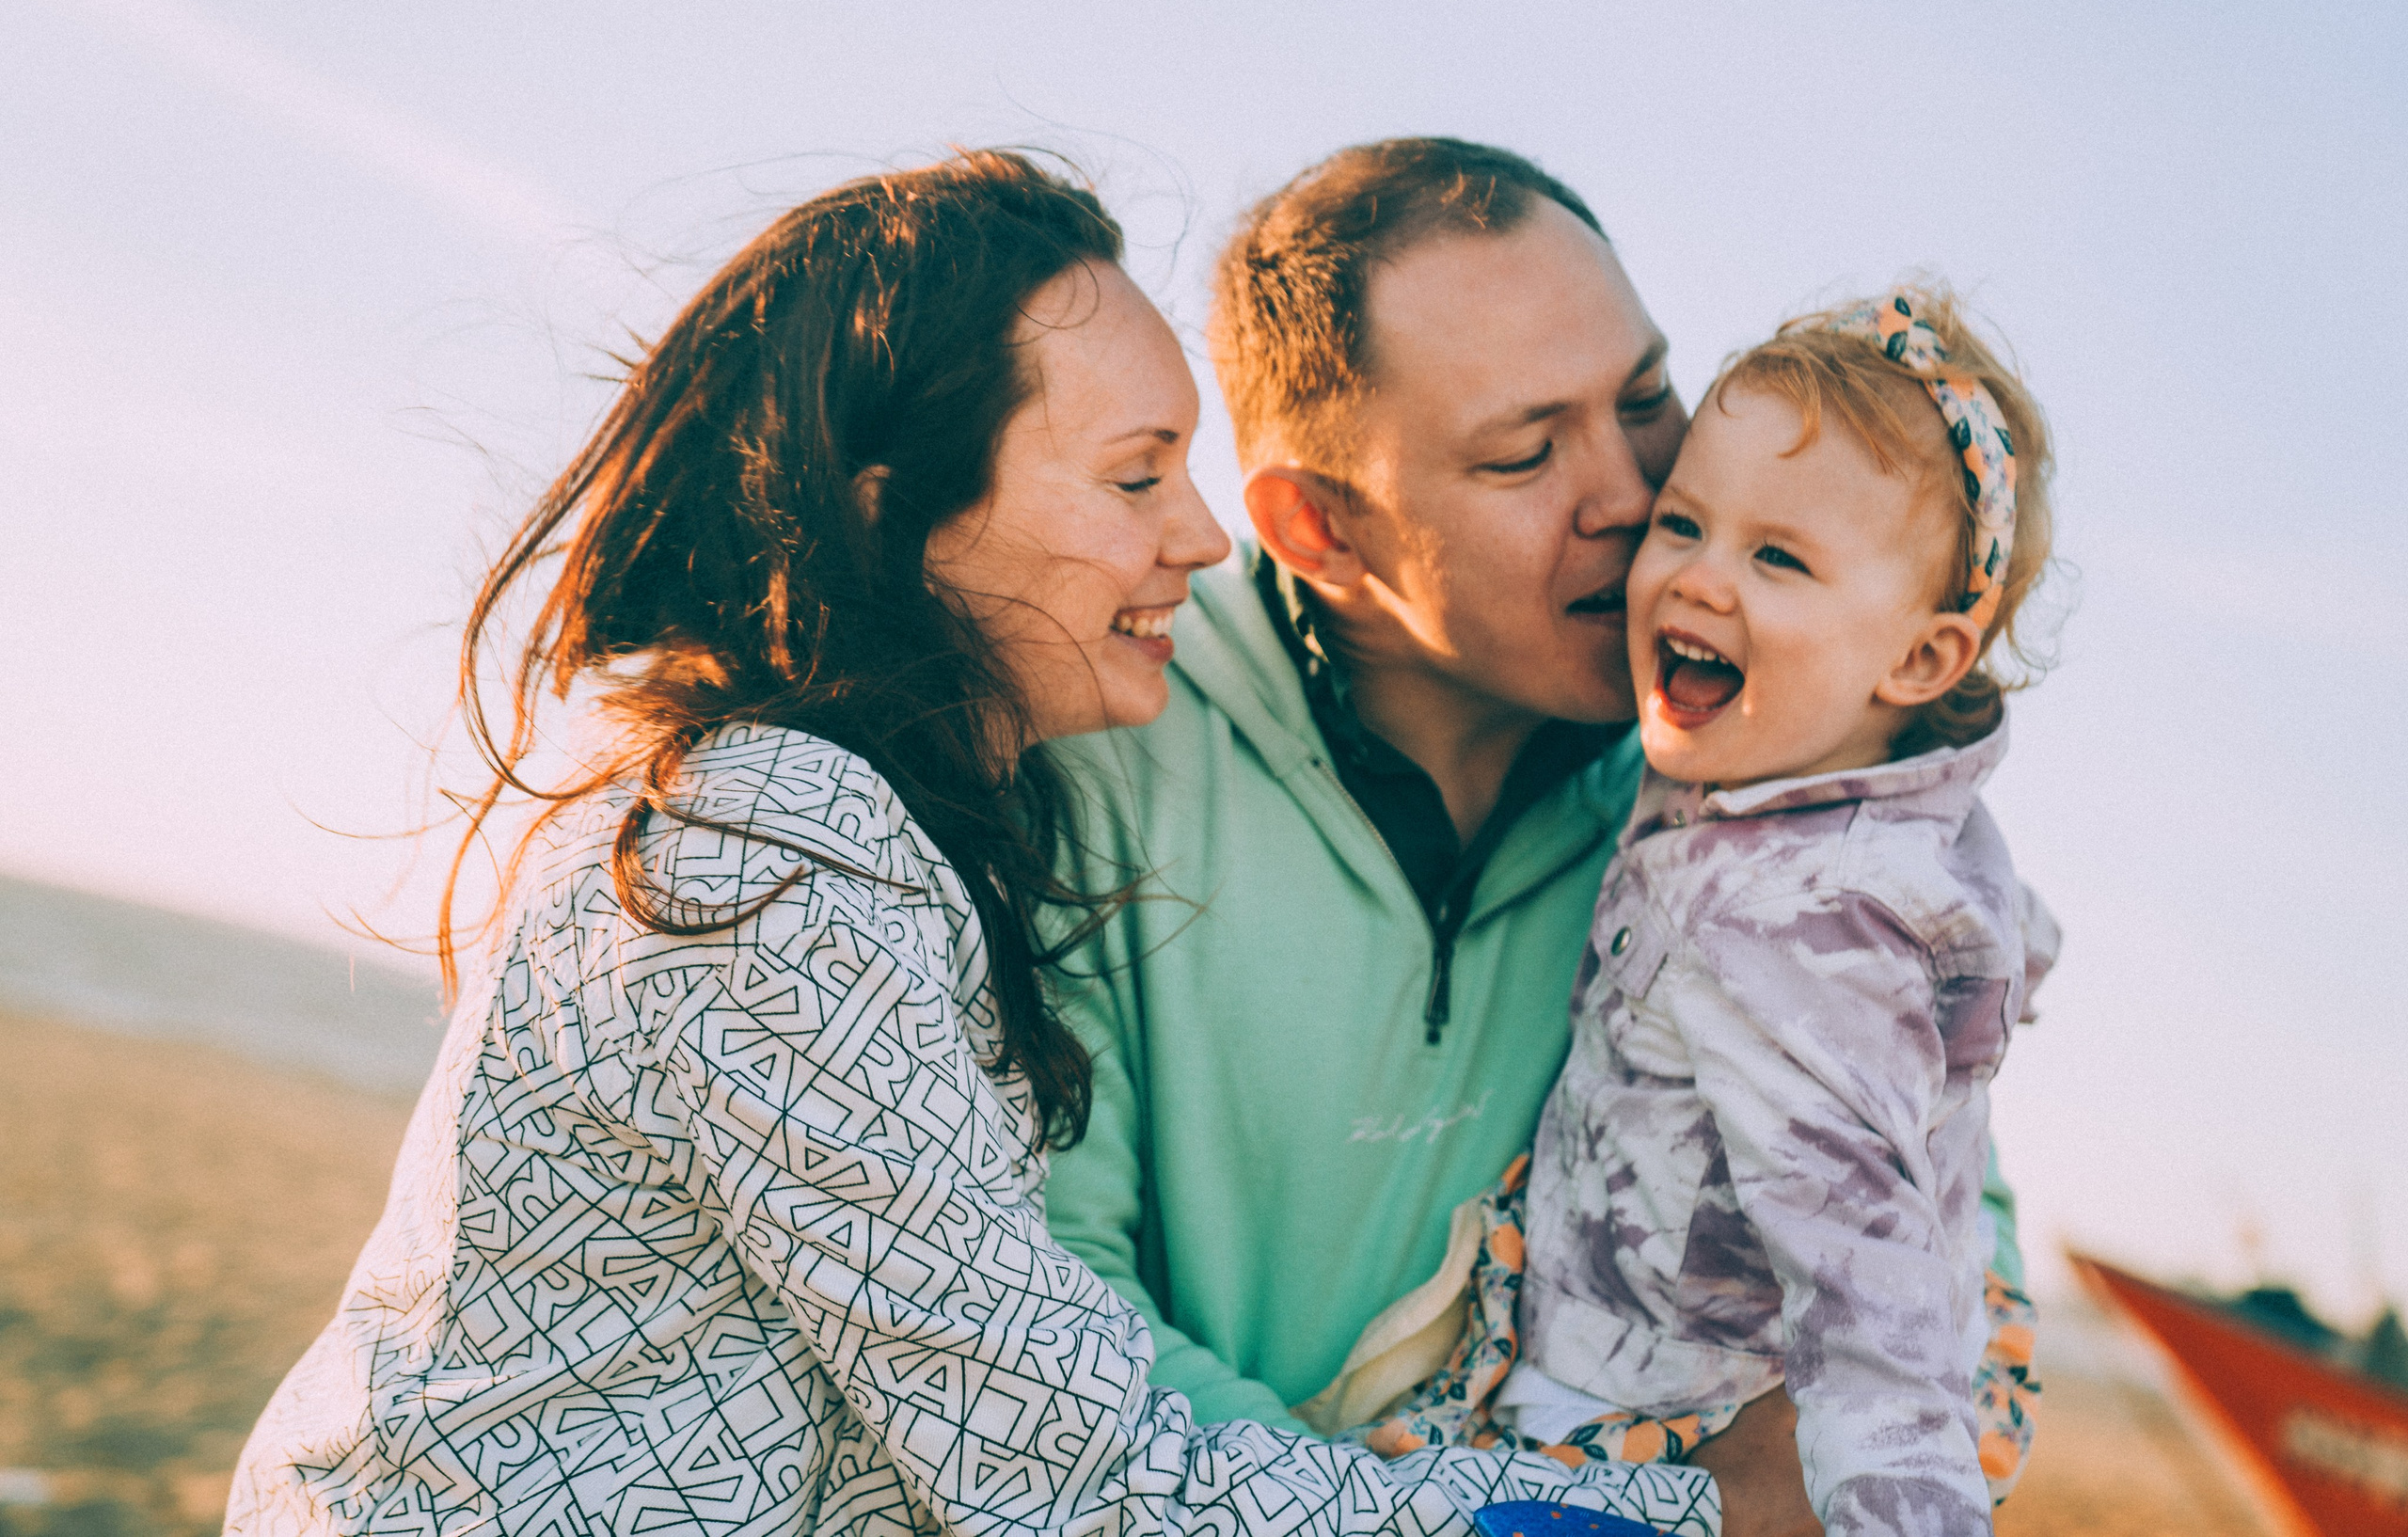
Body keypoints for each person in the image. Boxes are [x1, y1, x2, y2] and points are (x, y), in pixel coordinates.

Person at [226, 150, 1716, 1537]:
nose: (1200, 542)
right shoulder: (771, 853)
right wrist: (1681, 1519)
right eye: (1138, 477)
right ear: (903, 521)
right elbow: (1065, 1472)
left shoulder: (898, 831)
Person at [1045, 141, 2036, 1535]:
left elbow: (1941, 1225)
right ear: (1320, 528)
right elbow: (1042, 1317)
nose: (1633, 496)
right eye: (1525, 453)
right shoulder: (1098, 745)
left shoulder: (1765, 788)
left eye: (1645, 399)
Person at [1354, 289, 2059, 1536]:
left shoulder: (1801, 924)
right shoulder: (1800, 801)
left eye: (1778, 556)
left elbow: (1870, 1302)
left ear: (1920, 661)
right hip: (1637, 1348)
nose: (1694, 575)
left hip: (1664, 1427)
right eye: (1685, 522)